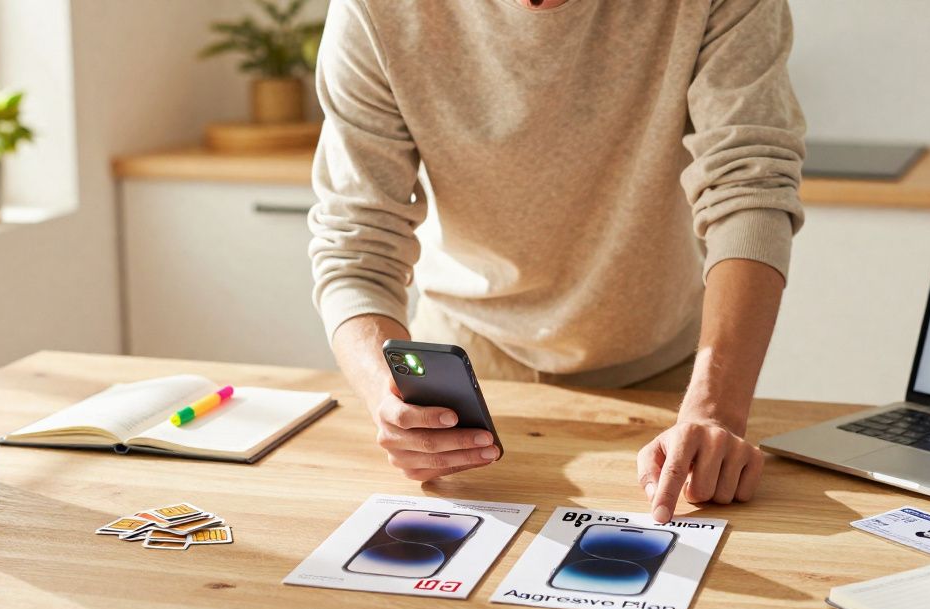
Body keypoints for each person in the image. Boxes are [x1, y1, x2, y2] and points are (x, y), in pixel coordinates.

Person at [309, 0, 805, 522]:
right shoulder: (375, 8)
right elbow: (356, 243)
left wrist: (715, 410)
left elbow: (749, 189)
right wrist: (389, 399)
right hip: (464, 378)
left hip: (669, 374)